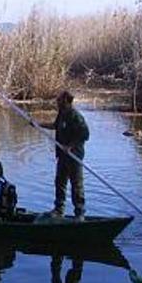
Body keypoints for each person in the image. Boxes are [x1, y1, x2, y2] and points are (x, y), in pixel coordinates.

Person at [39, 90, 90, 221]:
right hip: (62, 156)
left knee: (76, 185)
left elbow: (85, 134)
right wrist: (39, 124)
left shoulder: (75, 116)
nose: (57, 103)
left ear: (67, 101)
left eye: (59, 101)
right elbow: (55, 126)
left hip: (74, 156)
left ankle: (79, 213)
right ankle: (59, 210)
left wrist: (70, 146)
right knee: (60, 183)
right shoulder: (61, 114)